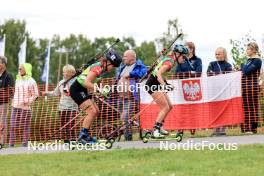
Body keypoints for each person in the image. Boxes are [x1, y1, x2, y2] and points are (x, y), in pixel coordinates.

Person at [70, 50, 122, 144]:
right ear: (107, 62)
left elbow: (93, 83)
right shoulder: (98, 67)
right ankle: (82, 137)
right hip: (77, 89)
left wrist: (99, 92)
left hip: (83, 89)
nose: (113, 68)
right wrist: (100, 90)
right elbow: (87, 82)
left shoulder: (103, 68)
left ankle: (86, 135)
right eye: (113, 65)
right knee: (91, 111)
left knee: (96, 111)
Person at [145, 44, 189, 138]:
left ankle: (159, 127)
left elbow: (158, 71)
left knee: (169, 106)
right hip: (152, 85)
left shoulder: (170, 58)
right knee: (164, 107)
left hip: (155, 84)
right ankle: (155, 130)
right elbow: (158, 73)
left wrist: (166, 84)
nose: (184, 59)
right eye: (183, 57)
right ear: (177, 54)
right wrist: (164, 86)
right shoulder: (170, 62)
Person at [43, 64, 78, 143]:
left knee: (71, 126)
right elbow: (55, 93)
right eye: (63, 72)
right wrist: (46, 93)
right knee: (64, 126)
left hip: (73, 108)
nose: (63, 74)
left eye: (65, 72)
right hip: (62, 108)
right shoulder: (61, 83)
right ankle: (66, 142)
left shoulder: (76, 81)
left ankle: (72, 141)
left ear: (71, 73)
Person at [116, 49, 147, 141]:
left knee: (126, 116)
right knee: (122, 117)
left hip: (132, 97)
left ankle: (128, 137)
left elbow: (144, 73)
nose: (123, 58)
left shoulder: (139, 65)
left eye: (125, 56)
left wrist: (130, 74)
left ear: (131, 57)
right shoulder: (123, 66)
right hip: (120, 97)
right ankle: (127, 134)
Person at [175, 42, 202, 136]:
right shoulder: (181, 59)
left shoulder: (198, 60)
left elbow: (198, 73)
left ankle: (192, 126)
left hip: (193, 87)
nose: (188, 50)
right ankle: (181, 129)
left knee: (192, 109)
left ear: (193, 49)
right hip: (182, 87)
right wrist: (190, 72)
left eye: (190, 48)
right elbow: (177, 73)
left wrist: (188, 73)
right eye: (186, 48)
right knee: (182, 109)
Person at [9, 63, 39, 147]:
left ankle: (24, 144)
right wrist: (14, 100)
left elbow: (36, 95)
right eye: (19, 68)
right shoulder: (17, 79)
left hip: (25, 108)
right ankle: (11, 144)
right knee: (12, 125)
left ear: (26, 69)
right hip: (15, 106)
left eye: (21, 68)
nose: (19, 70)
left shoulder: (32, 81)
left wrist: (26, 101)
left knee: (25, 126)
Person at [207, 47, 232, 136]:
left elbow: (228, 75)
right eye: (216, 54)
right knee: (215, 110)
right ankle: (216, 129)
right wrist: (220, 75)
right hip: (214, 90)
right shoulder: (212, 64)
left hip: (224, 91)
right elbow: (209, 73)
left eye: (219, 54)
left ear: (223, 54)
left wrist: (216, 75)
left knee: (223, 110)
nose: (217, 56)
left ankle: (222, 129)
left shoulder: (228, 65)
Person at [240, 42, 262, 134]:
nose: (247, 51)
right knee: (245, 107)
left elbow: (246, 71)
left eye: (248, 49)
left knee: (252, 107)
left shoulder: (257, 60)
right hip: (245, 87)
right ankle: (246, 128)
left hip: (252, 87)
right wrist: (241, 67)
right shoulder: (248, 60)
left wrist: (242, 66)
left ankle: (252, 128)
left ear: (253, 50)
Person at [0, 56, 14, 147]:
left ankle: (2, 141)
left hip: (4, 102)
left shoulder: (8, 76)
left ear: (4, 64)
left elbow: (10, 90)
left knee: (2, 121)